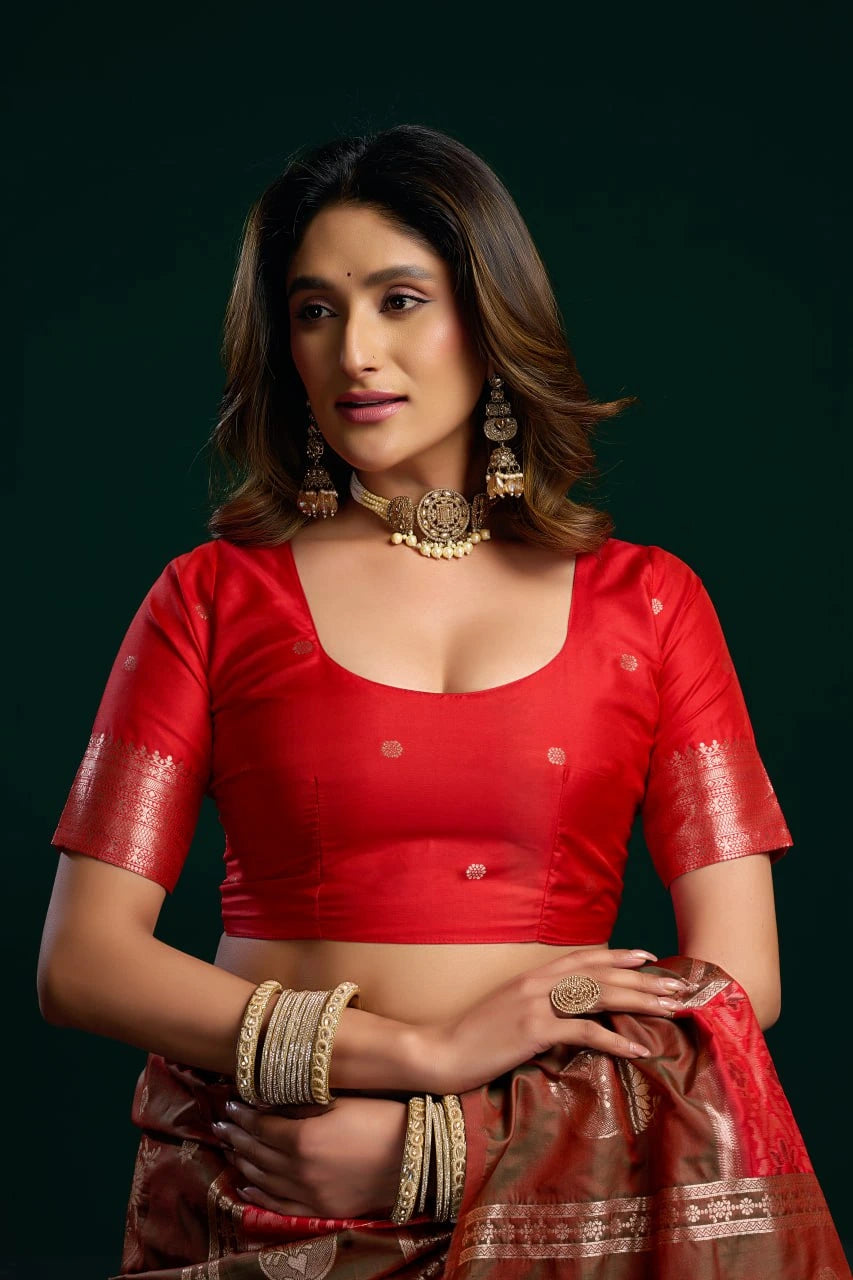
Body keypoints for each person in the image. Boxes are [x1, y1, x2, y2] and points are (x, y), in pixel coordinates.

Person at [37, 124, 849, 1279]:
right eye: (314, 310)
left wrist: (442, 1146)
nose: (353, 350)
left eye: (399, 299)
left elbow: (737, 984)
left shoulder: (651, 603)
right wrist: (416, 1048)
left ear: (489, 318)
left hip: (554, 1206)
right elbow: (83, 962)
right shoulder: (212, 597)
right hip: (267, 1178)